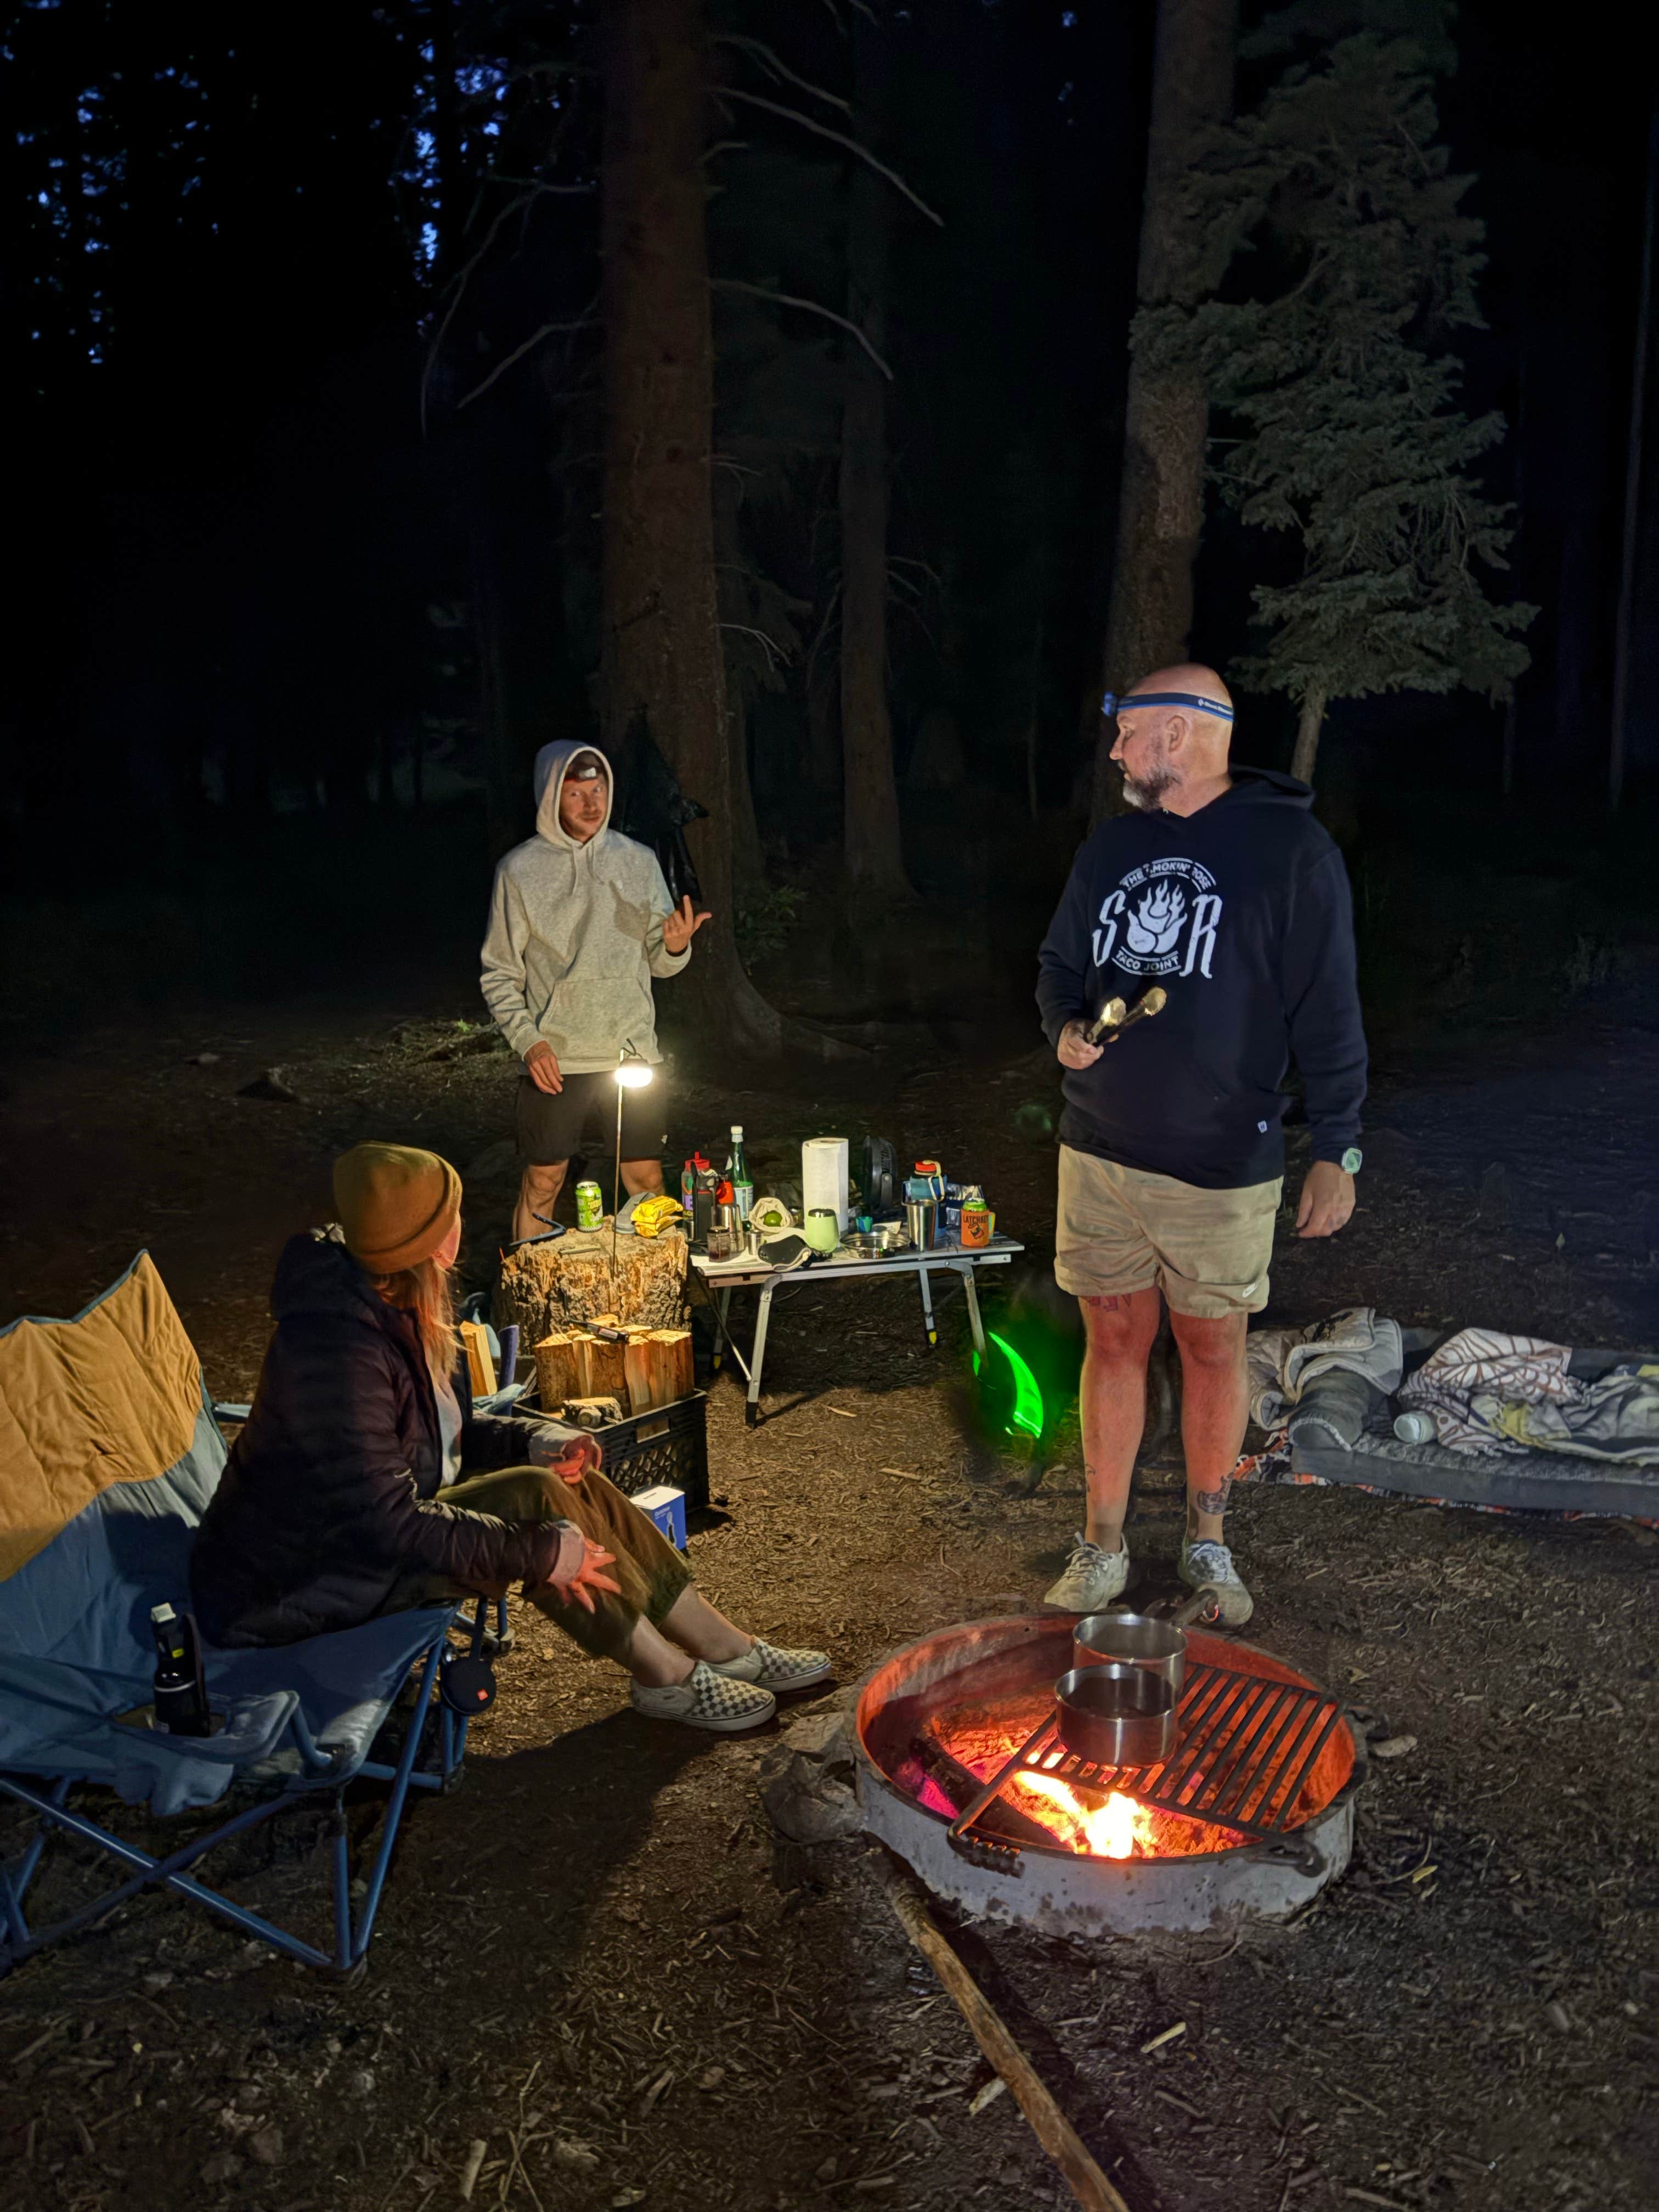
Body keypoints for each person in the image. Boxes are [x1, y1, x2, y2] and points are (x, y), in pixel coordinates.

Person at [190, 1143, 828, 1730]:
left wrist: (535, 1441)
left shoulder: (395, 1309)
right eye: (454, 1212)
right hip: (299, 1585)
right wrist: (539, 1551)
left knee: (559, 1477)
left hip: (363, 1546)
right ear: (434, 1239)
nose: (462, 1223)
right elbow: (380, 1525)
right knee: (536, 1503)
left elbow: (442, 1435)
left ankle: (726, 1647)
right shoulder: (338, 1349)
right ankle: (668, 1677)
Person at [1035, 665, 1367, 1624]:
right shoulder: (1111, 848)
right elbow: (1060, 963)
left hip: (1220, 1159)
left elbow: (1328, 1007)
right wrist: (1061, 1023)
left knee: (1212, 1345)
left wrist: (1335, 1147)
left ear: (1175, 737)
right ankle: (1100, 1543)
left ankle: (1207, 1540)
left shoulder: (1288, 851)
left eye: (1126, 735)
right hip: (1097, 1147)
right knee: (1113, 1337)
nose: (1113, 753)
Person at [480, 741, 710, 1244]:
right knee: (544, 1182)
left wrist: (673, 947)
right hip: (555, 1057)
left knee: (646, 1181)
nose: (591, 804)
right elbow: (498, 973)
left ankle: (660, 1298)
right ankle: (526, 1300)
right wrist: (528, 1041)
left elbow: (661, 961)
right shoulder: (518, 872)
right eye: (576, 793)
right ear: (549, 798)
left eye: (598, 789)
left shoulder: (638, 861)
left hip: (630, 1051)